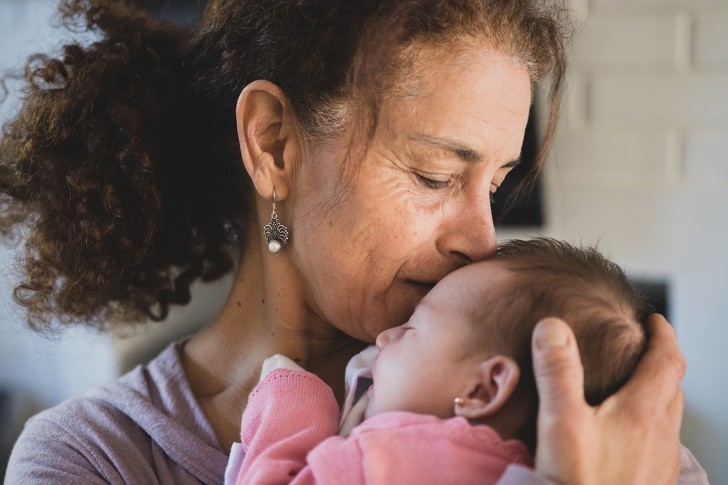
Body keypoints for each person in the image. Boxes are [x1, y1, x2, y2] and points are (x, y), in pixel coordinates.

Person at [0, 0, 698, 483]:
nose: (484, 239)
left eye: (494, 187)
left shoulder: (595, 414)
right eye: (433, 175)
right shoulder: (95, 459)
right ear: (274, 144)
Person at [232, 238, 704, 484]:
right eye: (433, 175)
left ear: (482, 390)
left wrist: (294, 398)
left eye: (413, 327)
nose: (384, 337)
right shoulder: (641, 465)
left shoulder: (391, 457)